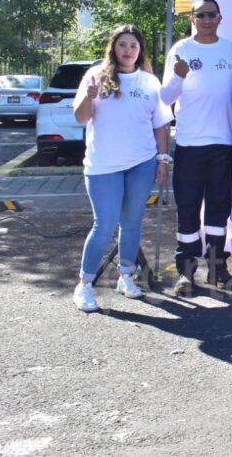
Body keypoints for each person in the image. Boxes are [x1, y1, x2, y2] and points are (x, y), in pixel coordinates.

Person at [72, 25, 172, 312]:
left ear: (140, 50)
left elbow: (161, 124)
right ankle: (84, 285)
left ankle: (126, 276)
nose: (128, 50)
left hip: (142, 163)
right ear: (113, 48)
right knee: (104, 225)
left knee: (132, 222)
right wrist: (89, 96)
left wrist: (163, 159)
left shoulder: (150, 82)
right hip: (104, 165)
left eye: (133, 45)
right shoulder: (95, 76)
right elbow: (80, 118)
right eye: (123, 45)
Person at [160, 0, 232, 296]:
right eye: (201, 15)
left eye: (212, 15)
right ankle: (186, 272)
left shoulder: (231, 50)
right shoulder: (181, 49)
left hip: (223, 143)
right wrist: (178, 77)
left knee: (218, 210)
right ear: (192, 19)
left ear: (220, 18)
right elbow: (165, 98)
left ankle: (217, 268)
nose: (207, 20)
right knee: (188, 209)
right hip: (189, 143)